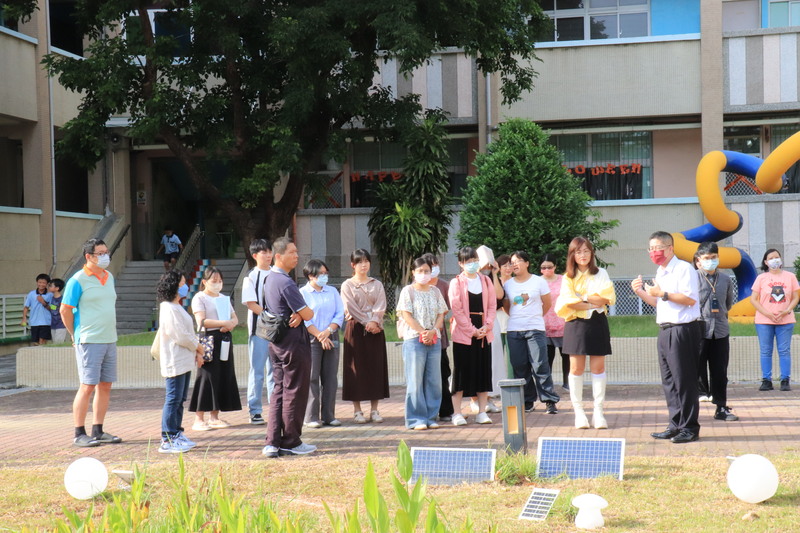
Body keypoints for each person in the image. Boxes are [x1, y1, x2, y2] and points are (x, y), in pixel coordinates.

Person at [631, 231, 702, 444]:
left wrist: (662, 293)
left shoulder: (683, 269)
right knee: (670, 381)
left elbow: (689, 299)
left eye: (658, 248)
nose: (654, 252)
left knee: (684, 380)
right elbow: (658, 302)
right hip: (665, 329)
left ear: (670, 248)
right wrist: (642, 292)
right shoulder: (660, 271)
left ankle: (689, 427)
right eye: (651, 248)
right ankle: (675, 424)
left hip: (683, 329)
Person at [60, 238, 122, 447]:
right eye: (100, 253)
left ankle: (98, 430)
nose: (105, 256)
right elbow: (65, 309)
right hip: (88, 340)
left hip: (109, 338)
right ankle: (79, 433)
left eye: (107, 252)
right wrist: (73, 335)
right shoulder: (77, 280)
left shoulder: (109, 277)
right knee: (87, 386)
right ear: (89, 256)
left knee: (105, 385)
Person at [261, 237, 316, 458]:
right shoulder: (285, 282)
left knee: (279, 390)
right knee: (294, 390)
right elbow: (309, 314)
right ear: (279, 256)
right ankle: (291, 441)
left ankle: (272, 442)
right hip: (293, 343)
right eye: (292, 252)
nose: (296, 256)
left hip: (276, 342)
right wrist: (301, 315)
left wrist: (298, 315)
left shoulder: (269, 279)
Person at [555, 238, 616, 429]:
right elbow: (568, 302)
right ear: (572, 255)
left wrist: (583, 297)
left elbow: (607, 298)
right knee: (575, 369)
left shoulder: (601, 273)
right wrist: (592, 301)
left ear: (592, 253)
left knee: (598, 368)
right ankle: (579, 413)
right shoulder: (567, 277)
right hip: (575, 323)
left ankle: (598, 413)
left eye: (586, 251)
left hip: (597, 322)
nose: (582, 255)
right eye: (578, 252)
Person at [503, 251, 560, 415]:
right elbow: (507, 306)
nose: (514, 264)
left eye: (518, 261)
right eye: (512, 262)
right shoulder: (508, 284)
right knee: (520, 366)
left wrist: (534, 317)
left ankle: (549, 400)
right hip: (514, 329)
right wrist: (518, 316)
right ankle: (528, 401)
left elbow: (547, 303)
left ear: (527, 263)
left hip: (535, 328)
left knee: (540, 364)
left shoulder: (538, 281)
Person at [397, 257, 448, 430]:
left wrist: (434, 330)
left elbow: (442, 313)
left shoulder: (435, 291)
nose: (424, 274)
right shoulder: (407, 291)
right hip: (414, 339)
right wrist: (422, 332)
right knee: (415, 380)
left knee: (434, 380)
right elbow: (406, 315)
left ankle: (431, 416)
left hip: (434, 339)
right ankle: (416, 419)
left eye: (427, 271)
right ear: (413, 272)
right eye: (420, 271)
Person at [448, 247, 497, 426]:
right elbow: (457, 309)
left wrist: (487, 326)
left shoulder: (485, 280)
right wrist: (471, 330)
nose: (472, 264)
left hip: (484, 333)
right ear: (461, 264)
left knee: (483, 371)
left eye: (474, 260)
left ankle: (482, 412)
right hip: (464, 335)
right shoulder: (456, 283)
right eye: (468, 262)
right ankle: (457, 413)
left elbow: (492, 305)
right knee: (461, 372)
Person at [340, 249, 390, 424]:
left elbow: (381, 304)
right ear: (352, 265)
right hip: (356, 331)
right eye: (359, 262)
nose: (364, 265)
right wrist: (366, 322)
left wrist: (374, 321)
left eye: (366, 261)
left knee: (375, 368)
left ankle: (375, 410)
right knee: (356, 369)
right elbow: (350, 306)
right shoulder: (347, 285)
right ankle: (357, 410)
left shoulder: (377, 284)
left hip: (375, 330)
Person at [155, 270, 202, 453]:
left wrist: (195, 346)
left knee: (180, 399)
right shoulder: (168, 307)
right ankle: (167, 437)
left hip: (183, 360)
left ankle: (176, 433)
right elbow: (180, 335)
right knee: (173, 398)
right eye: (182, 283)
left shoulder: (176, 306)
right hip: (174, 360)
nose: (185, 286)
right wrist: (198, 346)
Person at [189, 266, 241, 431]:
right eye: (214, 281)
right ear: (204, 282)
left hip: (224, 339)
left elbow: (234, 318)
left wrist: (230, 325)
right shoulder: (200, 297)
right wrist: (223, 324)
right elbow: (202, 321)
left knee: (222, 375)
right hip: (208, 340)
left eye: (220, 281)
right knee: (207, 377)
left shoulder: (224, 298)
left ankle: (214, 416)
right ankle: (199, 418)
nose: (217, 284)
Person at [694, 242, 739, 421]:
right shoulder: (692, 277)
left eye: (713, 258)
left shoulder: (726, 279)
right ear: (698, 261)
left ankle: (721, 407)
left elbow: (728, 304)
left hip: (720, 329)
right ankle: (693, 407)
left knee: (720, 371)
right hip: (699, 328)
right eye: (706, 259)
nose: (710, 261)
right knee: (696, 368)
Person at [300, 259, 344, 428]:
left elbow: (339, 314)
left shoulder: (332, 291)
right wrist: (319, 335)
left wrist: (327, 332)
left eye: (326, 273)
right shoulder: (303, 293)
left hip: (330, 336)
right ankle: (310, 417)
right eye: (321, 274)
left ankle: (329, 415)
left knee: (330, 377)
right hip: (311, 339)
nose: (324, 276)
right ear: (311, 275)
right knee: (311, 377)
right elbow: (304, 318)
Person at [750, 248, 800, 392]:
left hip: (786, 320)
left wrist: (787, 310)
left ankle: (785, 379)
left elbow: (796, 296)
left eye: (777, 257)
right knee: (766, 350)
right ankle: (766, 380)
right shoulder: (761, 278)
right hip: (764, 320)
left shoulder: (790, 276)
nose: (775, 260)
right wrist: (767, 313)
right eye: (771, 258)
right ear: (766, 262)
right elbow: (754, 299)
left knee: (784, 350)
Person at [242, 238, 274, 425]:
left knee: (275, 370)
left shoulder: (278, 274)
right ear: (255, 256)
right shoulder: (251, 276)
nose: (268, 255)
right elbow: (251, 304)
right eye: (264, 252)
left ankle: (275, 407)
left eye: (269, 251)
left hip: (277, 331)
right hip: (259, 330)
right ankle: (255, 410)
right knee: (258, 371)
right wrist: (271, 316)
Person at [421, 253, 454, 422]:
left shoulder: (443, 286)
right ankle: (425, 411)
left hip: (439, 338)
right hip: (420, 338)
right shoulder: (414, 287)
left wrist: (435, 327)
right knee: (423, 376)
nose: (433, 269)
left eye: (435, 265)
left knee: (442, 374)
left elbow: (447, 309)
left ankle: (446, 410)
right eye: (429, 266)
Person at [540, 254, 570, 391]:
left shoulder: (564, 280)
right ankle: (548, 385)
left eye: (549, 267)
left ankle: (567, 382)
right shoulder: (537, 281)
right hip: (544, 324)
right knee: (547, 357)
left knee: (567, 355)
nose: (547, 270)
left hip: (563, 323)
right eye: (543, 267)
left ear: (555, 266)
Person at [22, 273, 52, 346]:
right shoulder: (31, 294)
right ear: (37, 282)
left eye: (43, 283)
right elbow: (26, 307)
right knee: (35, 343)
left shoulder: (50, 294)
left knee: (42, 342)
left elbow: (54, 308)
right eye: (39, 282)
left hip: (46, 322)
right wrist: (24, 318)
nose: (41, 284)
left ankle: (43, 356)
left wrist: (43, 302)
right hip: (34, 322)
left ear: (47, 284)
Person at [47, 279, 67, 344]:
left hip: (61, 324)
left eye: (51, 286)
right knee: (54, 343)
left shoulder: (62, 299)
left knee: (58, 344)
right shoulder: (51, 298)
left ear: (57, 288)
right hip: (53, 324)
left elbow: (63, 310)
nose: (49, 287)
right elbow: (53, 308)